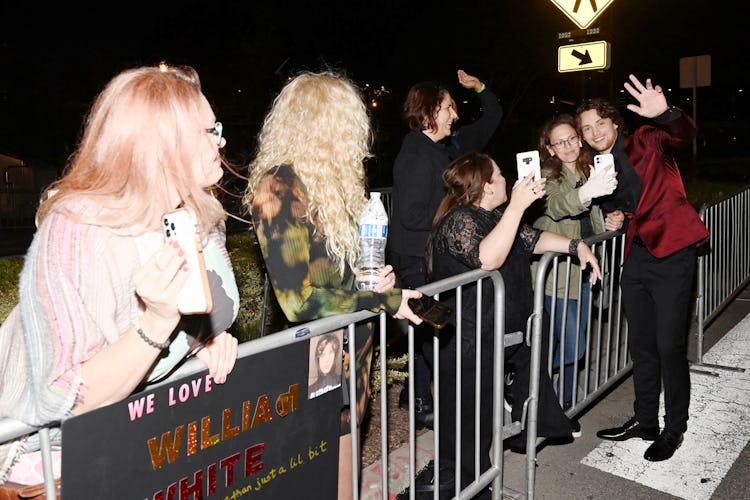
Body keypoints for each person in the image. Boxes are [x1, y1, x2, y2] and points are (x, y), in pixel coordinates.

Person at [0, 64, 240, 486]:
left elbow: (191, 315)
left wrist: (199, 341)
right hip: (56, 460)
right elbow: (64, 395)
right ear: (164, 146)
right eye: (207, 131)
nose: (220, 140)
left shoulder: (194, 212)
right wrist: (157, 324)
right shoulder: (80, 229)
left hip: (139, 438)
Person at [243, 70, 423, 500]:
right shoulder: (279, 188)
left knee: (344, 467)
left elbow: (331, 276)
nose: (362, 139)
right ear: (328, 127)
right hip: (318, 358)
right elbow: (298, 300)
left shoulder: (323, 189)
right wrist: (382, 298)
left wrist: (369, 278)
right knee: (321, 472)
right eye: (353, 126)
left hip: (350, 352)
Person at [425, 152, 601, 497]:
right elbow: (488, 258)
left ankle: (485, 475)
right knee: (467, 428)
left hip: (492, 336)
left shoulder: (490, 217)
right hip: (464, 339)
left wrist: (576, 246)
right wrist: (518, 206)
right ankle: (468, 488)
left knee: (485, 421)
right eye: (501, 175)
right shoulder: (460, 219)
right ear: (486, 186)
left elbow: (532, 239)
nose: (508, 179)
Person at [577, 74, 709, 462]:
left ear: (615, 123)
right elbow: (610, 205)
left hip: (671, 251)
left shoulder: (647, 139)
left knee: (670, 346)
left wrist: (665, 113)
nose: (594, 132)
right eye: (586, 128)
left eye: (600, 123)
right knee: (642, 345)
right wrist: (610, 216)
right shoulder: (597, 168)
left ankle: (674, 428)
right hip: (635, 257)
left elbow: (684, 135)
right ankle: (645, 420)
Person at [388, 70, 502, 427]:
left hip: (427, 256)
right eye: (449, 108)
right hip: (413, 260)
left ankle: (415, 394)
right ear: (429, 112)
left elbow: (493, 118)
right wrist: (457, 213)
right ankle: (422, 401)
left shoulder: (435, 151)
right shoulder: (415, 156)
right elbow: (410, 216)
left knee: (428, 328)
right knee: (431, 328)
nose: (455, 114)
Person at [531, 113, 618, 409]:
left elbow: (589, 217)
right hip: (556, 274)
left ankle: (565, 402)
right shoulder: (545, 176)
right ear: (550, 148)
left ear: (580, 141)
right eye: (560, 142)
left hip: (584, 270)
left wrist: (609, 223)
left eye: (572, 138)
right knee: (573, 346)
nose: (568, 145)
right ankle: (527, 382)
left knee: (575, 341)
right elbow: (557, 207)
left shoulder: (587, 169)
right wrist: (587, 192)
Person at [309, 332, 342, 399]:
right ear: (318, 358)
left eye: (330, 353)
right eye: (323, 355)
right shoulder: (310, 391)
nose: (327, 360)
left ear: (335, 356)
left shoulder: (343, 383)